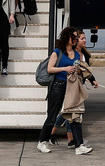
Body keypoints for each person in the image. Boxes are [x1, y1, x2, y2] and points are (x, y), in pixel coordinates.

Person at [37, 27, 92, 155]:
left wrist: (78, 71)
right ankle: (42, 141)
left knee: (75, 115)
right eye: (74, 37)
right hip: (58, 85)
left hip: (72, 86)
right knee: (52, 115)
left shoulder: (77, 54)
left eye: (77, 37)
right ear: (67, 37)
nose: (76, 39)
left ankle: (79, 145)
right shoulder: (57, 52)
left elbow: (78, 68)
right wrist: (65, 69)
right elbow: (50, 69)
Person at [49, 28, 97, 147]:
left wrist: (92, 79)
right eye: (81, 38)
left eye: (84, 38)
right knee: (70, 112)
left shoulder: (82, 53)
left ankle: (71, 140)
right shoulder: (70, 53)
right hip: (68, 84)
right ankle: (67, 139)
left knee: (71, 113)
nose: (84, 40)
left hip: (78, 83)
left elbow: (84, 69)